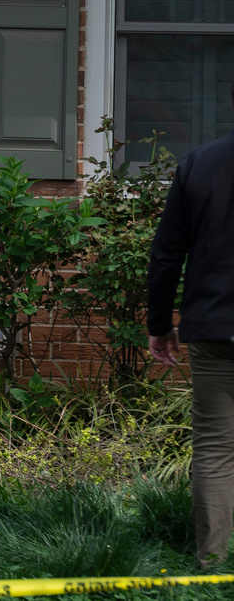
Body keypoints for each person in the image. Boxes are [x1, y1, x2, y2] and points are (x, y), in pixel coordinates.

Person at [147, 100, 234, 568]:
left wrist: (159, 325)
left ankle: (212, 564)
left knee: (217, 449)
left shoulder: (199, 163)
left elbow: (166, 254)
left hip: (213, 327)